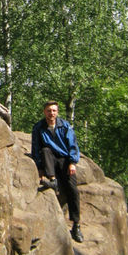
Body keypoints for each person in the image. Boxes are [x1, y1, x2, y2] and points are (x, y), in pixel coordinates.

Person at [31, 100, 84, 242]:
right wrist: (40, 168)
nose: (51, 114)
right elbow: (36, 149)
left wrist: (72, 162)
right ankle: (53, 181)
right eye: (48, 111)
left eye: (54, 111)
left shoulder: (65, 126)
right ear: (44, 112)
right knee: (45, 150)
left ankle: (76, 225)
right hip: (50, 159)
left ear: (57, 112)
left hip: (65, 160)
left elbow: (73, 145)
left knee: (73, 190)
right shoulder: (38, 127)